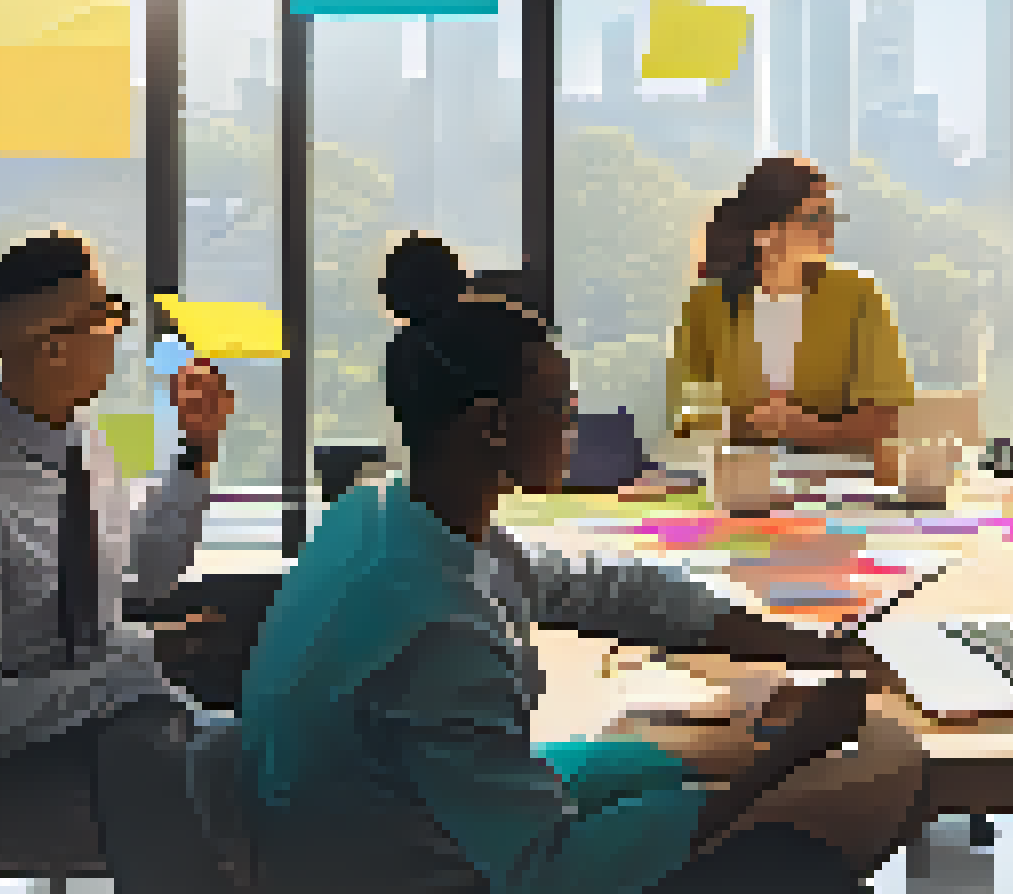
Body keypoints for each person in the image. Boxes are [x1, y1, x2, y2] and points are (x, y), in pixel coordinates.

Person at [236, 232, 931, 893]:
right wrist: (790, 754)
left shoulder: (383, 516)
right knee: (877, 770)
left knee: (699, 747)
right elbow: (549, 873)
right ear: (492, 425)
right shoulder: (434, 628)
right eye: (561, 409)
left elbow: (595, 587)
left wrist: (793, 643)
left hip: (395, 826)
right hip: (424, 872)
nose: (574, 427)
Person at [0, 231, 237, 889]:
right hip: (37, 766)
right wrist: (136, 669)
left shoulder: (87, 445)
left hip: (119, 728)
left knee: (288, 756)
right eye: (108, 313)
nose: (120, 331)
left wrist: (196, 454)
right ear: (51, 343)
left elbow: (145, 572)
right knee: (248, 788)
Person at [665, 157, 915, 471]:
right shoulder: (707, 303)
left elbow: (886, 421)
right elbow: (684, 412)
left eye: (832, 215)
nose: (829, 228)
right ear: (763, 231)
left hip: (843, 484)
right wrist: (737, 429)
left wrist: (807, 429)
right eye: (815, 218)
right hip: (738, 481)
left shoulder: (859, 296)